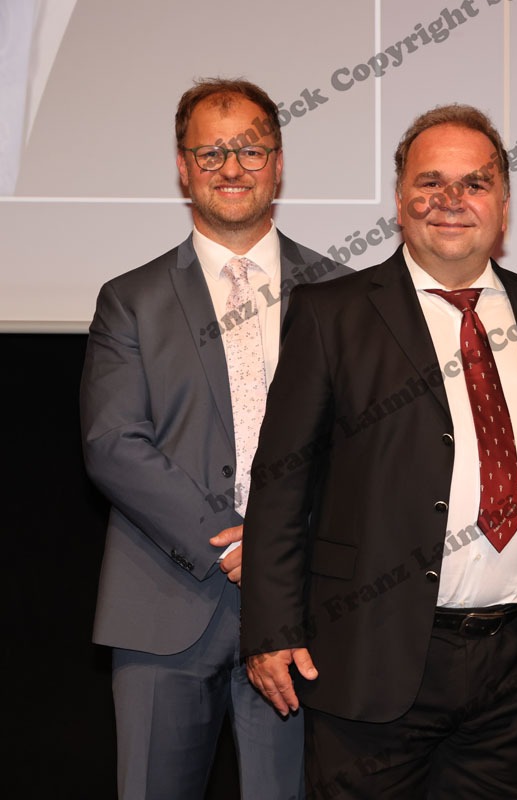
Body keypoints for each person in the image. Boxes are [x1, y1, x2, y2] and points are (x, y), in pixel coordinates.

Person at [239, 104, 517, 799]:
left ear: (503, 204)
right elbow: (281, 482)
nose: (452, 200)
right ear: (400, 201)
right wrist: (270, 628)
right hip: (371, 654)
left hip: (514, 663)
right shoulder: (332, 313)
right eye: (430, 182)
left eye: (475, 183)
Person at [80, 78, 350, 799]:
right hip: (162, 608)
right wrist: (235, 545)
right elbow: (113, 442)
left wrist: (278, 551)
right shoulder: (129, 299)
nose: (232, 168)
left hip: (302, 612)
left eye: (251, 151)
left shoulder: (342, 293)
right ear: (183, 167)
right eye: (211, 153)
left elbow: (361, 448)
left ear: (278, 163)